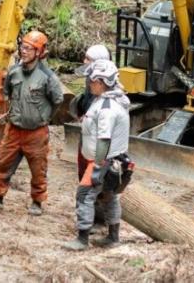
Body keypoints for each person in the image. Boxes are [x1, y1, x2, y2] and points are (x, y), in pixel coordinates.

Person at [0, 30, 63, 215]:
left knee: (38, 168)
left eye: (29, 48)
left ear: (39, 52)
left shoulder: (47, 77)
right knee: (3, 163)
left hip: (36, 132)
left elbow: (57, 100)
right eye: (22, 47)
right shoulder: (14, 72)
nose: (23, 51)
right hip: (14, 129)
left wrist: (43, 117)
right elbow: (7, 92)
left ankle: (37, 202)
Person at [63, 58, 131, 250]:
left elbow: (104, 139)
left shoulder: (107, 108)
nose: (89, 84)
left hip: (103, 160)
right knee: (109, 196)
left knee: (84, 195)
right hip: (116, 160)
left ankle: (82, 239)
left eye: (91, 81)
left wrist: (98, 165)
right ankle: (113, 237)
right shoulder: (114, 101)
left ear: (101, 82)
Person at [71, 44, 112, 179]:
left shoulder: (105, 86)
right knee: (83, 170)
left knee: (92, 178)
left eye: (88, 59)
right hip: (87, 133)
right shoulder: (90, 80)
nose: (84, 61)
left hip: (96, 137)